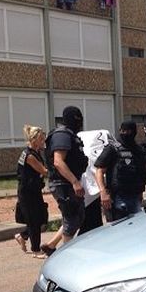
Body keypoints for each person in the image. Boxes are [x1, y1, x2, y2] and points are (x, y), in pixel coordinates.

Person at [40, 106, 89, 256]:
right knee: (72, 219)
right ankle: (66, 256)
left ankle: (51, 246)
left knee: (77, 217)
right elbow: (58, 162)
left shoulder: (71, 135)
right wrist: (74, 182)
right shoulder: (62, 135)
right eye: (77, 118)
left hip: (68, 183)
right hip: (64, 184)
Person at [95, 121, 146, 221]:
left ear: (134, 132)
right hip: (118, 196)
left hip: (135, 196)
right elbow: (99, 171)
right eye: (123, 131)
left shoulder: (139, 150)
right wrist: (103, 192)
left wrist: (140, 193)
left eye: (128, 131)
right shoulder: (113, 148)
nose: (125, 133)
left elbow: (140, 172)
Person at [14, 125, 48, 258]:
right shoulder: (29, 156)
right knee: (34, 220)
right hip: (27, 192)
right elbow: (43, 171)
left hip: (33, 189)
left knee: (38, 218)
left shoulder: (34, 153)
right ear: (33, 140)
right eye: (41, 139)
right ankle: (36, 250)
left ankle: (22, 236)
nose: (43, 142)